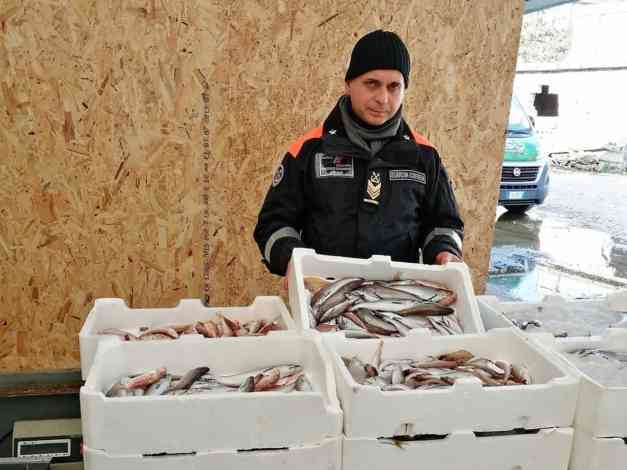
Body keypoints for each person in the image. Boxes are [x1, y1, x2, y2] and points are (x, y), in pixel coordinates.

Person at [254, 30, 464, 278]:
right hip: (323, 296)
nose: (383, 98)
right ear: (348, 84)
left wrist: (444, 251)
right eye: (372, 84)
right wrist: (290, 258)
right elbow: (273, 224)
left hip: (397, 301)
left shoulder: (424, 156)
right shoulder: (308, 150)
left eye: (394, 86)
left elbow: (444, 224)